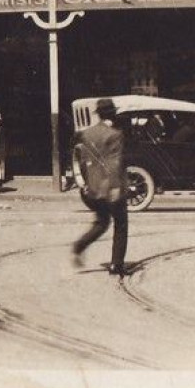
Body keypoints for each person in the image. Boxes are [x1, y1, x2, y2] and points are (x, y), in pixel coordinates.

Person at [73, 98, 129, 276]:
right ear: (113, 114)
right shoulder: (115, 135)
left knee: (102, 222)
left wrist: (84, 184)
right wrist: (114, 189)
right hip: (110, 188)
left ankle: (79, 245)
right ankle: (116, 265)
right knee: (121, 224)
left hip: (92, 189)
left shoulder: (86, 134)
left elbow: (81, 161)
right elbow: (114, 164)